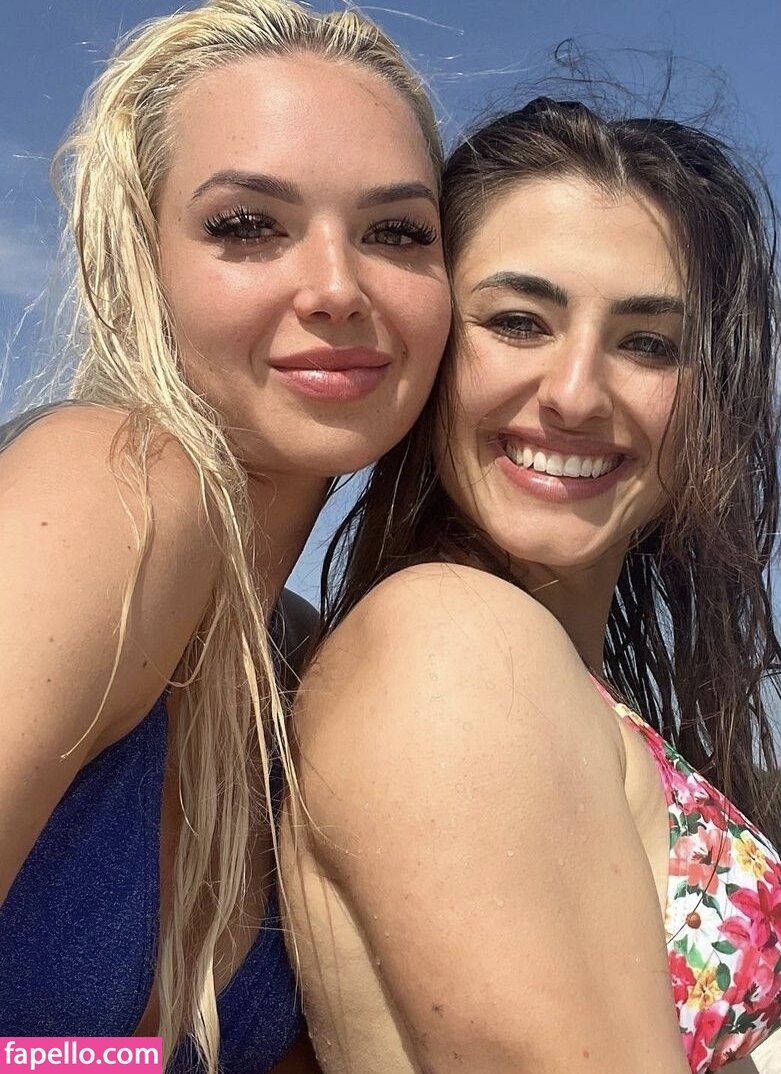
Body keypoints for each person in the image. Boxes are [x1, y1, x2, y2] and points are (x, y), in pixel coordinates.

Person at [285, 97, 781, 1072]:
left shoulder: (540, 669)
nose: (577, 393)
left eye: (648, 343)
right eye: (517, 322)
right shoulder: (453, 646)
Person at [0, 1, 449, 1070]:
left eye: (396, 232)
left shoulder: (306, 677)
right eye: (247, 226)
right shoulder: (119, 490)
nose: (337, 287)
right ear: (140, 261)